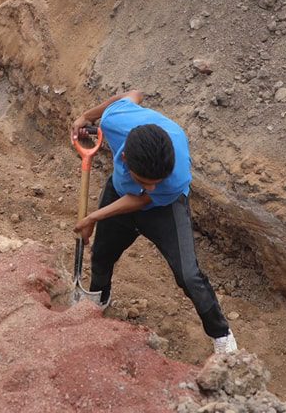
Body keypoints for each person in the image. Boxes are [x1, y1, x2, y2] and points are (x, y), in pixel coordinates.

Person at [71, 90, 238, 354]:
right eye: (144, 180)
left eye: (155, 182)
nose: (150, 185)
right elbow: (134, 94)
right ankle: (97, 302)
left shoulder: (175, 171)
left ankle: (221, 335)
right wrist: (86, 116)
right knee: (102, 255)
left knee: (188, 275)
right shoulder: (116, 120)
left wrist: (94, 216)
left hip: (163, 207)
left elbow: (143, 199)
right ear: (125, 159)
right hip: (120, 190)